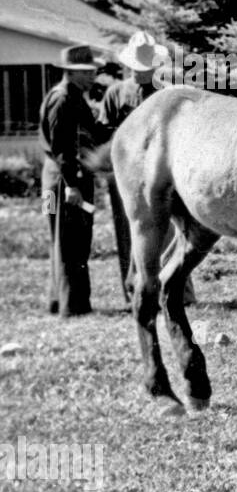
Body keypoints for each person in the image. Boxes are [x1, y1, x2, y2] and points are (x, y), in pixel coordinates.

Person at [100, 31, 196, 305]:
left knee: (170, 229)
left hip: (162, 175)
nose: (141, 74)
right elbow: (105, 132)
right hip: (128, 175)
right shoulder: (115, 93)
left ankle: (178, 291)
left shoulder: (164, 93)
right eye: (137, 69)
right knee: (130, 231)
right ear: (129, 66)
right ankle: (136, 291)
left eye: (147, 69)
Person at [39, 44, 106, 316]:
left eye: (93, 71)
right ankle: (74, 306)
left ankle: (60, 301)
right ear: (71, 72)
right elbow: (62, 146)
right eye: (87, 72)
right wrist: (72, 185)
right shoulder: (64, 98)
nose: (93, 76)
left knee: (62, 241)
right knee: (72, 242)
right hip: (63, 180)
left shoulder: (72, 96)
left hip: (57, 178)